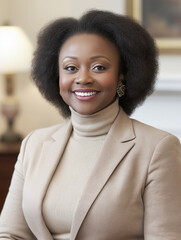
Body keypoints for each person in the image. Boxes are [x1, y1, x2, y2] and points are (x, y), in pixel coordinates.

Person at [0, 9, 181, 240]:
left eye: (99, 67)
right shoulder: (33, 144)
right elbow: (10, 234)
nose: (83, 78)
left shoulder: (158, 148)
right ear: (56, 76)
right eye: (70, 68)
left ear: (122, 75)